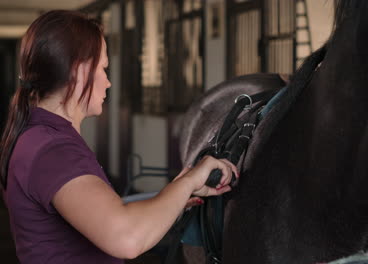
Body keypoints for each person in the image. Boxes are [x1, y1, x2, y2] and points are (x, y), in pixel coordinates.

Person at [0, 10, 237, 264]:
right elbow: (127, 238)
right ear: (79, 70)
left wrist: (174, 198)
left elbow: (104, 215)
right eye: (103, 68)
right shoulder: (53, 150)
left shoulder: (40, 137)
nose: (108, 82)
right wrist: (189, 181)